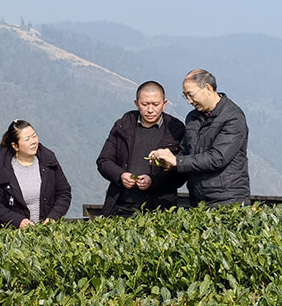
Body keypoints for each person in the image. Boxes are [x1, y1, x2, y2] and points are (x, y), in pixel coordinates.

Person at [148, 69, 250, 207]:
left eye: (191, 95)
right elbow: (186, 152)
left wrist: (177, 161)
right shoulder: (193, 117)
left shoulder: (233, 117)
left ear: (208, 88)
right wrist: (168, 163)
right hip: (198, 199)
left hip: (227, 200)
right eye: (185, 96)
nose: (189, 101)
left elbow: (217, 158)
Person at [96, 81, 186, 217]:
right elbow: (104, 161)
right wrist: (121, 176)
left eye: (156, 104)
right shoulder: (123, 125)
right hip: (120, 207)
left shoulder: (175, 129)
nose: (150, 110)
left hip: (160, 209)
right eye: (144, 104)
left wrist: (153, 181)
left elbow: (182, 171)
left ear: (164, 104)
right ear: (136, 103)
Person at [0, 120, 72, 228]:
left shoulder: (48, 162)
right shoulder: (3, 168)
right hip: (14, 238)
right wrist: (17, 221)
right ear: (15, 146)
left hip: (48, 235)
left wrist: (53, 218)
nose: (33, 141)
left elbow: (64, 192)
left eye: (34, 136)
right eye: (27, 139)